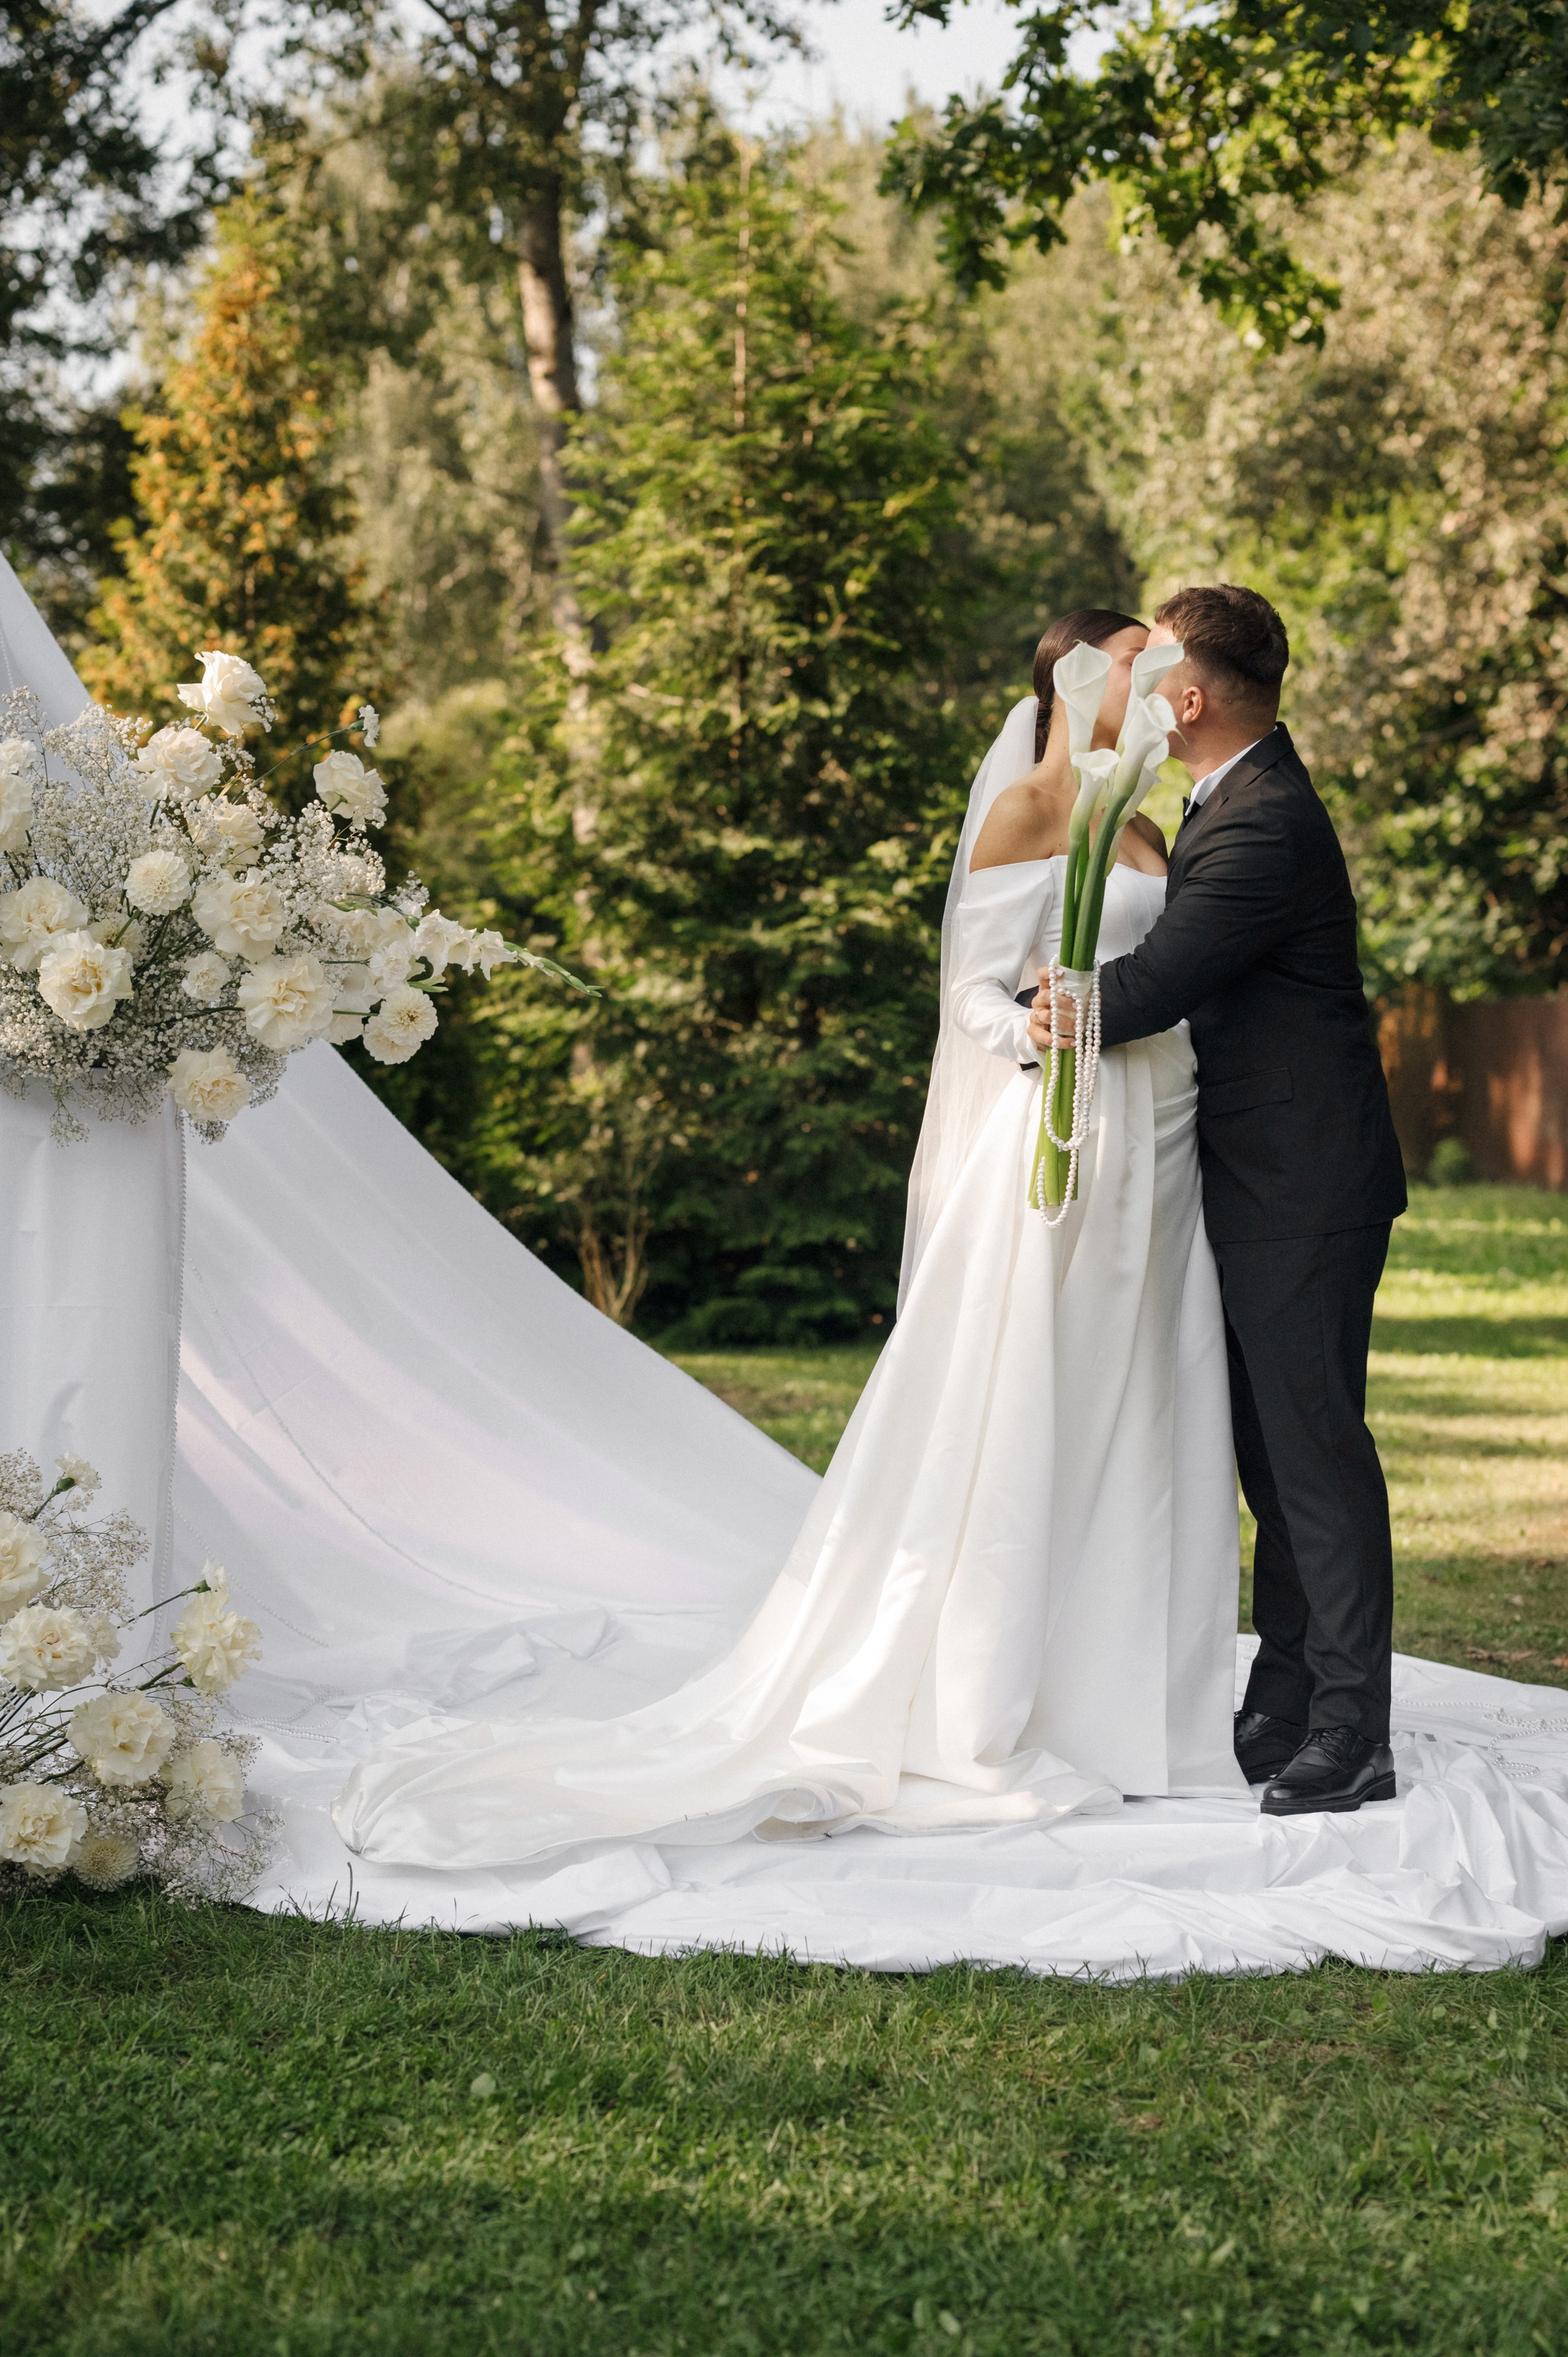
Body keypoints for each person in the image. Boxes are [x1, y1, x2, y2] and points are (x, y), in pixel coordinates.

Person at [332, 607, 1249, 1874]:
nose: (1163, 677)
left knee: (1138, 1403)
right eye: (1140, 657)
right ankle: (989, 1695)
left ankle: (1132, 1707)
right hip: (1060, 1137)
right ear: (1082, 677)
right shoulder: (1030, 814)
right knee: (1030, 1401)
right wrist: (1038, 1039)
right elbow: (972, 994)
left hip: (1159, 1145)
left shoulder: (1140, 819)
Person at [1031, 584, 1406, 1817]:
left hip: (1301, 1184)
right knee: (1271, 1457)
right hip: (1262, 1179)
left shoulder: (1258, 824)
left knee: (1311, 1457)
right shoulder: (1226, 799)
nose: (1133, 693)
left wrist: (1039, 1011)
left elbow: (1150, 989)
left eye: (1152, 677)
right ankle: (1288, 1695)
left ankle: (1351, 1730)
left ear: (1185, 699)